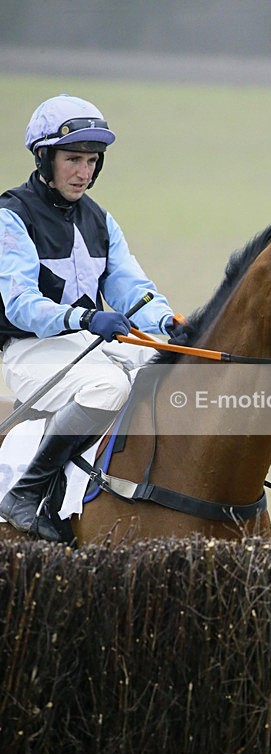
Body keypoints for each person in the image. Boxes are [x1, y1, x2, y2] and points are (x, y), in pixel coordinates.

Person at [0, 94, 184, 542]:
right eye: (73, 160)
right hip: (29, 351)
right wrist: (83, 319)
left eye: (91, 161)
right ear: (44, 158)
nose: (84, 173)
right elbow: (19, 302)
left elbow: (132, 289)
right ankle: (26, 493)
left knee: (169, 370)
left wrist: (167, 326)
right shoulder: (11, 215)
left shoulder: (100, 219)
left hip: (86, 343)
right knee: (110, 386)